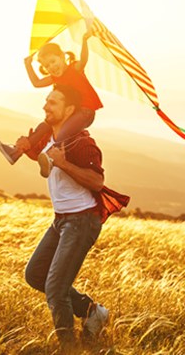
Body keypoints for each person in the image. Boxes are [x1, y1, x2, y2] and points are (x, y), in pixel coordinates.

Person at [22, 84, 129, 352]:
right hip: (61, 220)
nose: (46, 106)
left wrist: (63, 163)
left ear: (70, 110)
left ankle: (68, 349)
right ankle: (92, 311)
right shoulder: (51, 140)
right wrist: (26, 149)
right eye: (46, 100)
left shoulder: (81, 142)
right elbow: (45, 159)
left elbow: (96, 180)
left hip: (81, 221)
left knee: (56, 290)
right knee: (35, 274)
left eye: (53, 102)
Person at [0, 31, 103, 178]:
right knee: (44, 126)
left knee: (63, 132)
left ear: (62, 56)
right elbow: (36, 83)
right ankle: (16, 152)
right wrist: (28, 65)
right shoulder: (54, 78)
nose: (51, 67)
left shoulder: (74, 69)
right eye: (47, 65)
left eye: (53, 61)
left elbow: (83, 60)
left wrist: (84, 41)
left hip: (85, 113)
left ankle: (52, 159)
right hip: (69, 113)